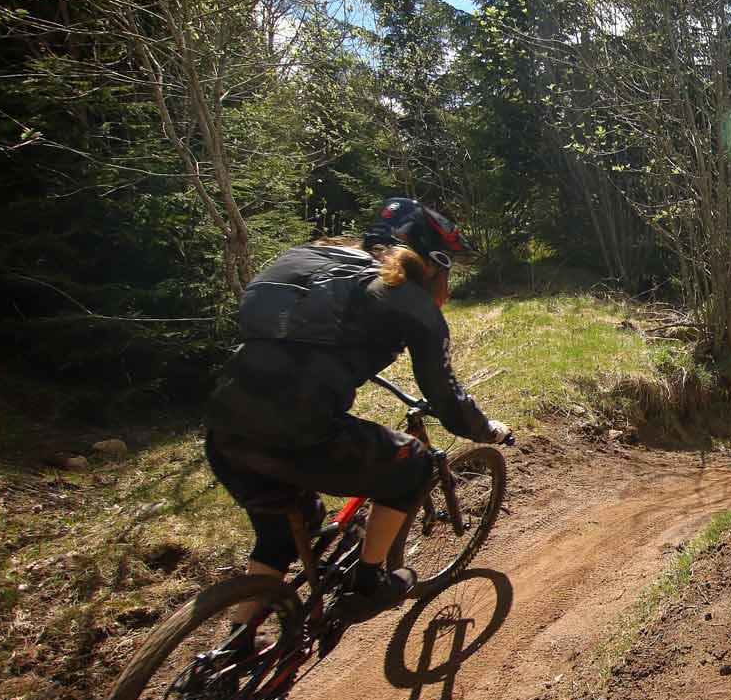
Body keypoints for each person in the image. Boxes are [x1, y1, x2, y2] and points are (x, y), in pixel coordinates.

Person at [205, 197, 510, 620]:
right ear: (434, 261)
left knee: (281, 533)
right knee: (415, 464)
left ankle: (237, 648)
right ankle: (369, 582)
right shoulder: (408, 298)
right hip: (302, 432)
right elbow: (446, 397)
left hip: (225, 422)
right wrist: (486, 429)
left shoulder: (304, 257)